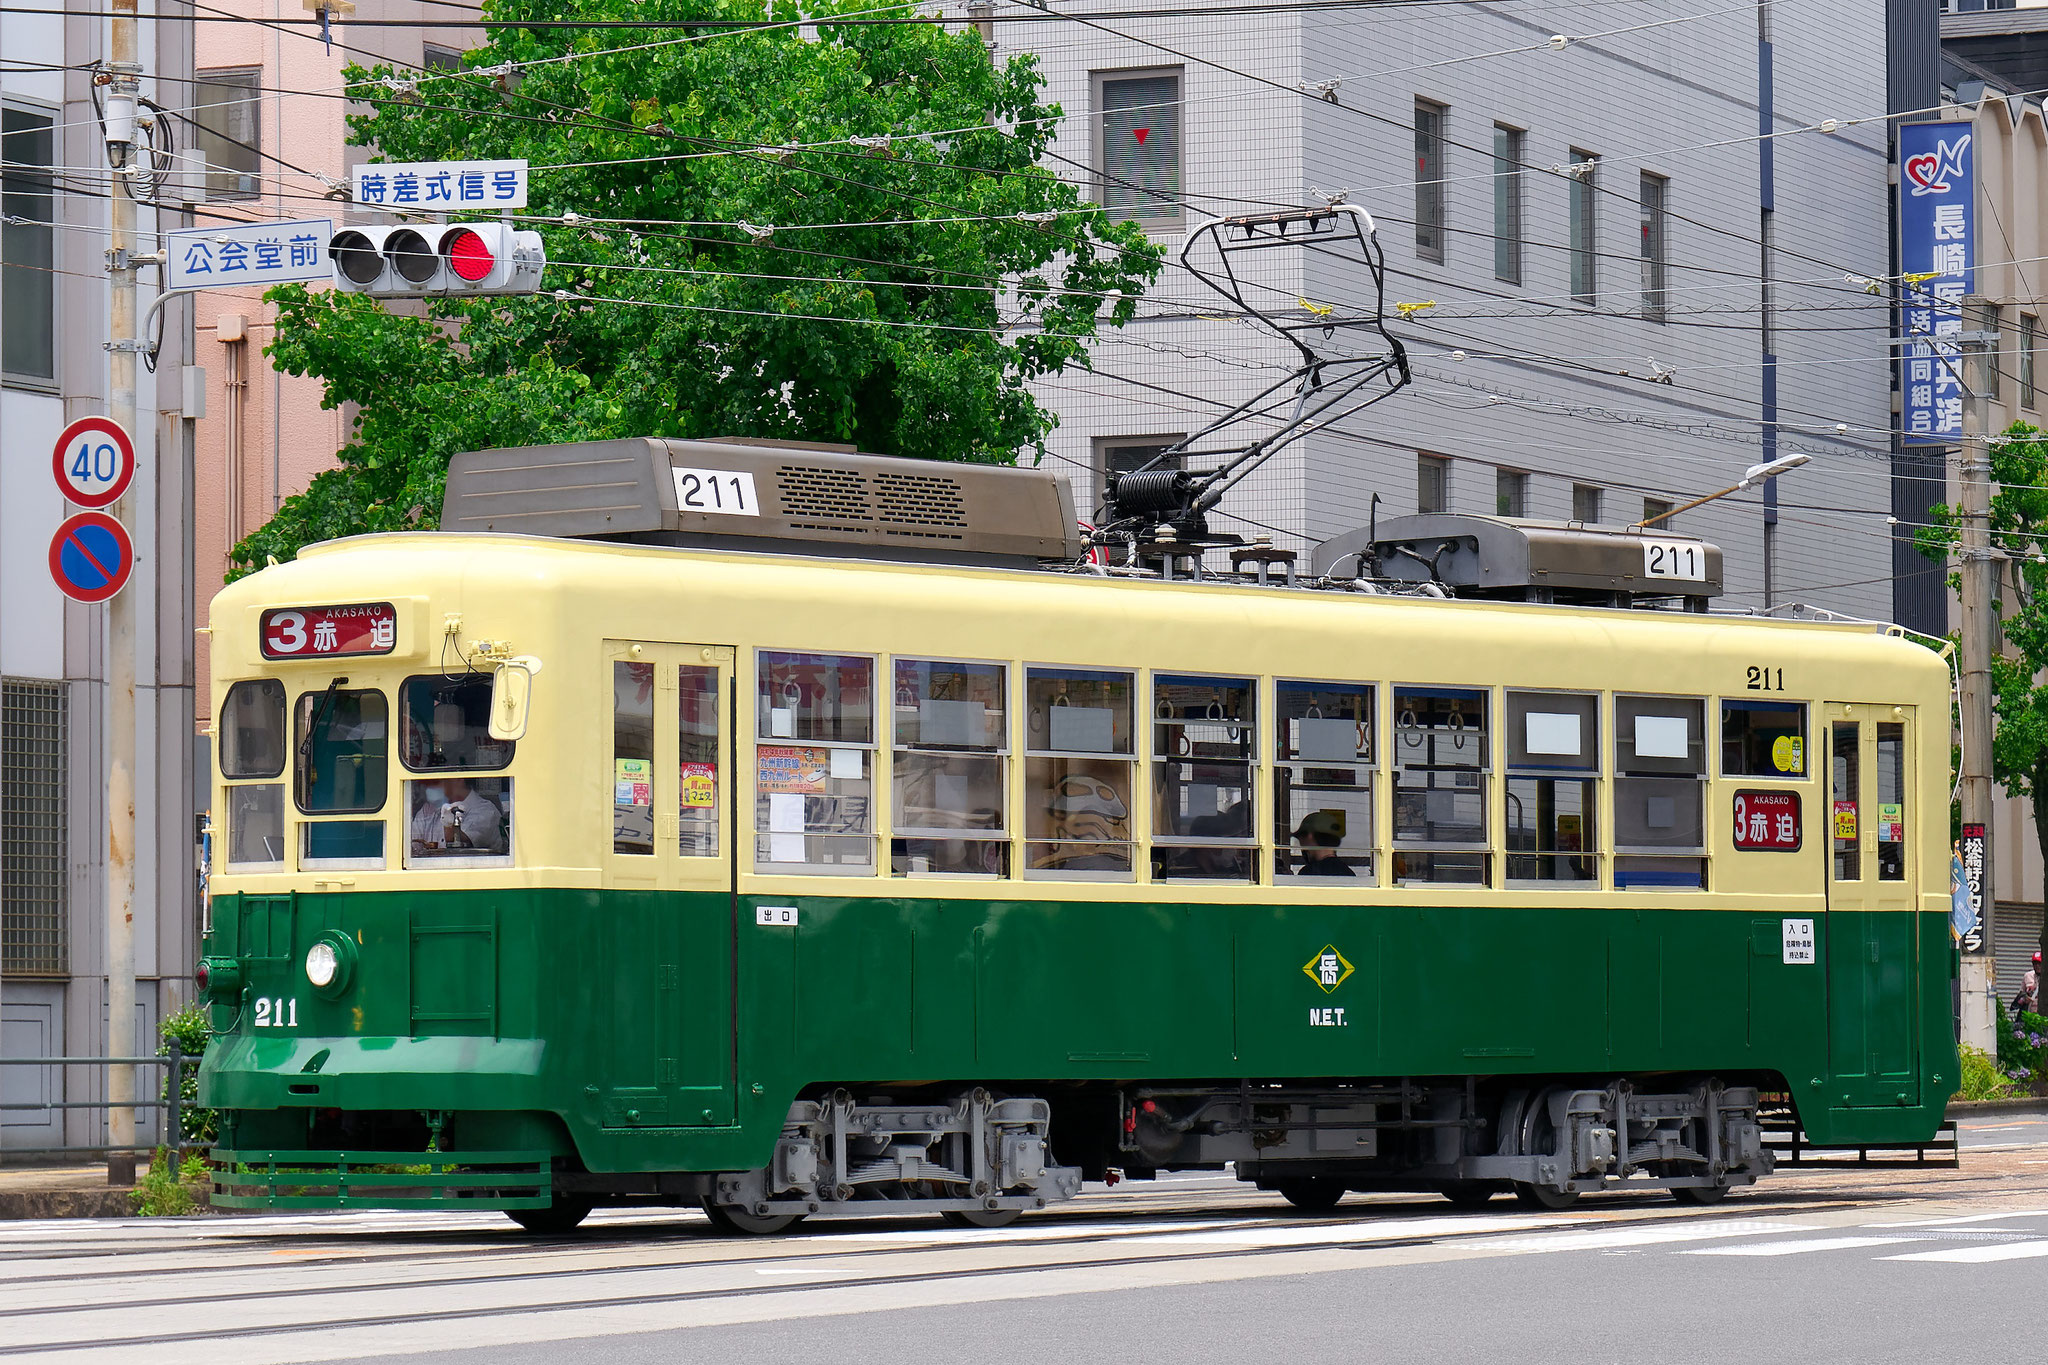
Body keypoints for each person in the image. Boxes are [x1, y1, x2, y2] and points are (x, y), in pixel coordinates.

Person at [411, 776, 506, 856]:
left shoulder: (485, 810)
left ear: (459, 780)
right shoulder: (428, 810)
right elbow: (412, 844)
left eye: (437, 782)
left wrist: (448, 825)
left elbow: (456, 841)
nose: (432, 787)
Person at [1293, 810, 1354, 877]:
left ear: (1309, 837)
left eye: (1301, 838)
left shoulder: (1308, 873)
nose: (1301, 846)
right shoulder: (1348, 873)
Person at [2017, 952, 2043, 1019]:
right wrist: (2024, 998)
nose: (2037, 966)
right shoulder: (2028, 976)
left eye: (2039, 963)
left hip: (2043, 1015)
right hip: (2029, 1014)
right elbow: (2021, 994)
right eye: (2035, 963)